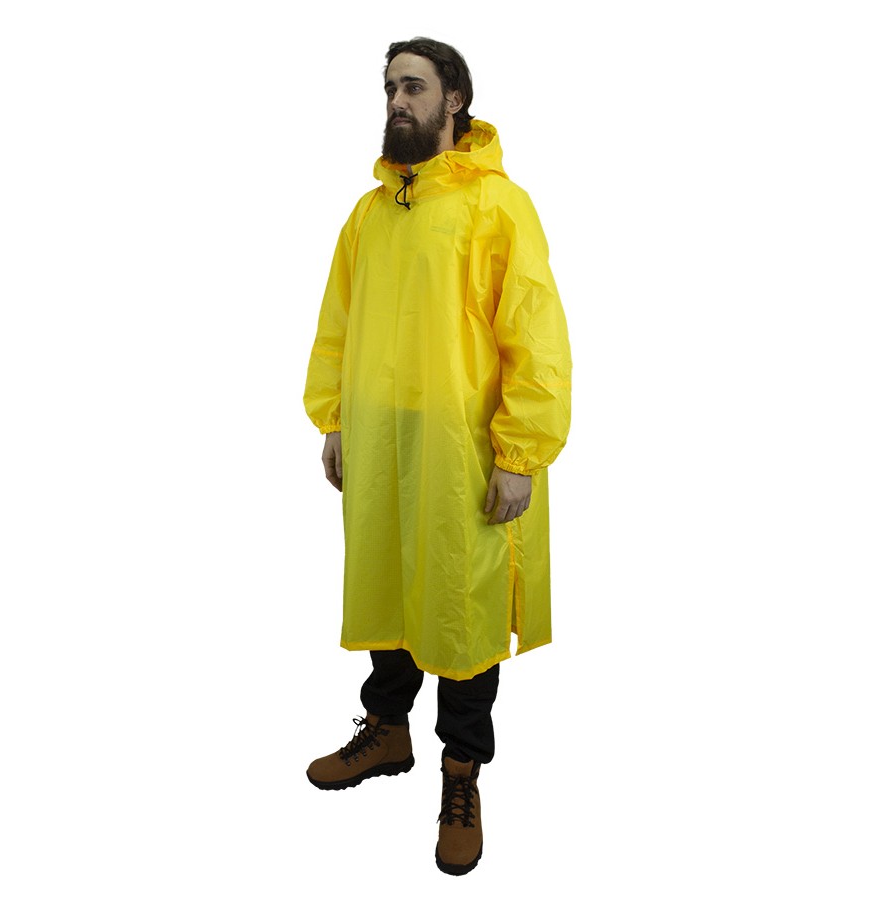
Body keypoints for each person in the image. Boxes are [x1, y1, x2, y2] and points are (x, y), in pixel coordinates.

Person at [303, 37, 571, 876]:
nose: (397, 101)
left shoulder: (499, 206)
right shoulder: (369, 214)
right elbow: (339, 323)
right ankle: (387, 731)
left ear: (454, 99)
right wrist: (335, 419)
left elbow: (535, 336)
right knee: (387, 581)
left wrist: (520, 455)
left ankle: (462, 772)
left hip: (464, 448)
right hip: (381, 441)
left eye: (413, 87)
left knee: (461, 603)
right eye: (390, 87)